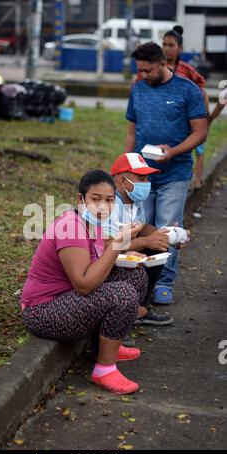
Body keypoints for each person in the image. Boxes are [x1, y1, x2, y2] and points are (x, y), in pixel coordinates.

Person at [21, 170, 148, 395]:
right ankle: (104, 370)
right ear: (81, 199)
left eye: (109, 200)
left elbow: (98, 262)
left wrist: (122, 255)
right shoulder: (71, 226)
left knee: (134, 276)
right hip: (43, 311)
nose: (103, 207)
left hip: (70, 299)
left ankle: (105, 348)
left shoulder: (96, 222)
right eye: (95, 199)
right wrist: (118, 246)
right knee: (122, 294)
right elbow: (84, 284)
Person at [125, 42, 208, 305]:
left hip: (175, 172)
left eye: (147, 70)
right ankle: (139, 280)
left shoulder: (187, 89)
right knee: (140, 227)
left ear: (163, 64)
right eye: (140, 70)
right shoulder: (138, 89)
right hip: (141, 175)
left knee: (168, 226)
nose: (143, 75)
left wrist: (173, 152)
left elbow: (200, 132)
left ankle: (163, 282)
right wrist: (127, 165)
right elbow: (131, 131)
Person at [111, 152, 174, 326]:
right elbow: (111, 246)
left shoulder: (133, 200)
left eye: (147, 178)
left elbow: (142, 227)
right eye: (141, 178)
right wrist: (146, 242)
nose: (147, 184)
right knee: (150, 246)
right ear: (122, 181)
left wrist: (167, 235)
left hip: (121, 250)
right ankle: (127, 311)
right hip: (106, 256)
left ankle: (139, 307)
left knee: (159, 247)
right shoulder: (111, 204)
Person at [162, 25, 209, 189]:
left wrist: (202, 113)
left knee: (196, 147)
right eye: (164, 45)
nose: (167, 49)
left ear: (180, 48)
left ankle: (196, 177)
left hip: (187, 117)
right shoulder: (157, 69)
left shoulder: (187, 70)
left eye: (171, 45)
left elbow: (201, 90)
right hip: (166, 118)